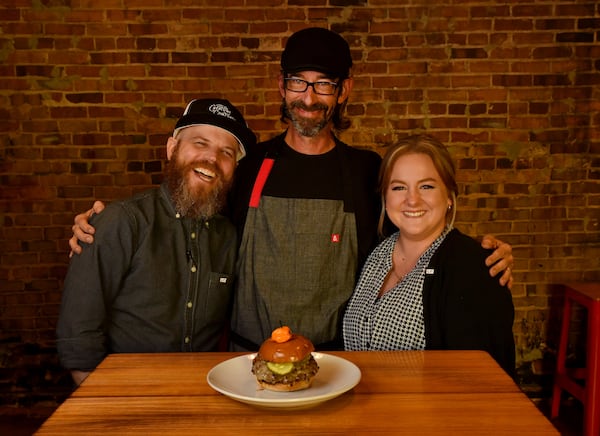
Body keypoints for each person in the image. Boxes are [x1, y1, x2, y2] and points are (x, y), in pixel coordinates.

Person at [68, 28, 514, 352]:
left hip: (338, 359)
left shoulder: (366, 170)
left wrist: (475, 257)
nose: (309, 96)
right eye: (299, 82)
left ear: (343, 92)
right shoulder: (247, 165)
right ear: (281, 87)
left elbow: (413, 225)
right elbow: (189, 224)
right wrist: (101, 229)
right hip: (247, 357)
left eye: (323, 84)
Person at [57, 98, 256, 386]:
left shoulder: (229, 236)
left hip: (203, 394)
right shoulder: (121, 222)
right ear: (172, 148)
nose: (212, 159)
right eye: (200, 143)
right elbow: (78, 335)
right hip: (126, 393)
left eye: (226, 152)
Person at [343, 134, 515, 377]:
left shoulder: (474, 268)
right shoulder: (377, 255)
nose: (412, 200)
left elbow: (485, 385)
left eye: (426, 186)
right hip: (363, 411)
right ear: (385, 197)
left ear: (449, 196)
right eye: (399, 187)